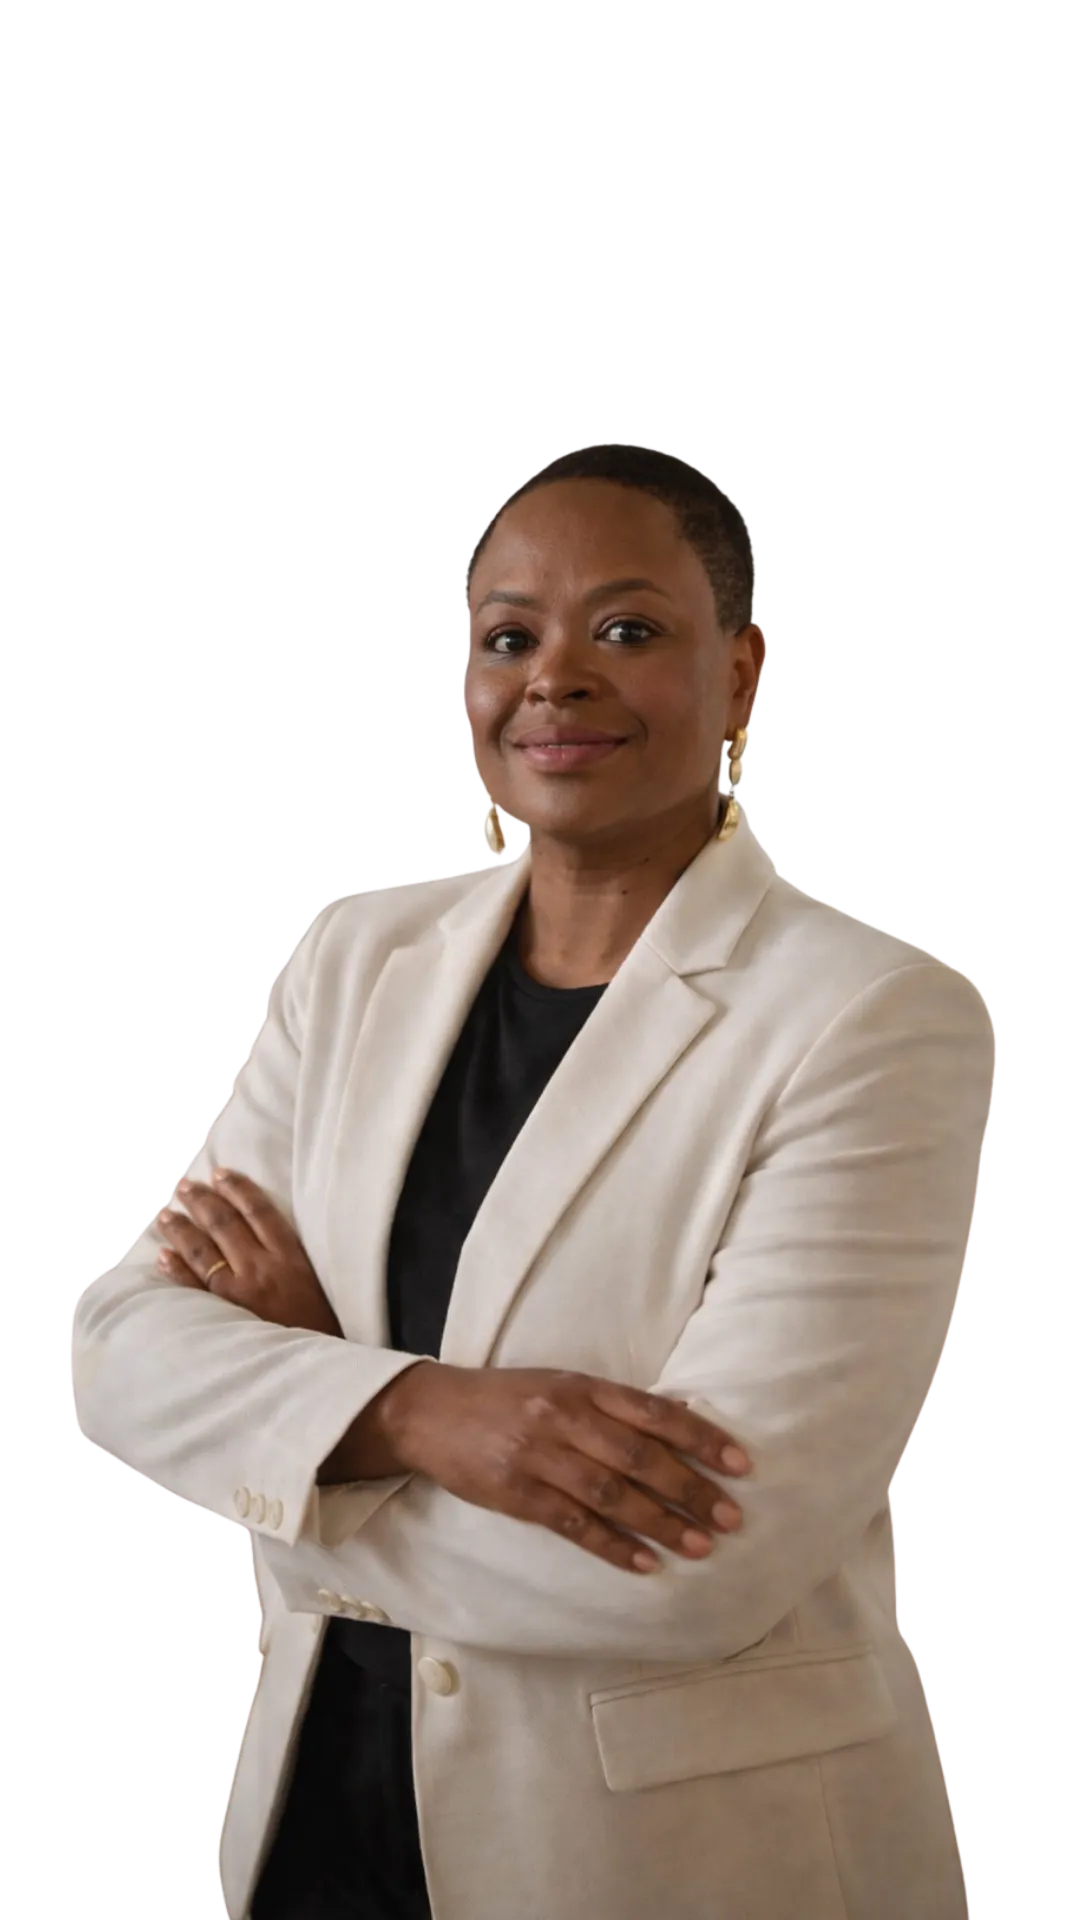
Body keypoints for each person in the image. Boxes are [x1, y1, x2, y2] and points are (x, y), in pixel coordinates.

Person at [71, 440, 995, 1920]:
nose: (554, 677)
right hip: (318, 1817)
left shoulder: (871, 1014)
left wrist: (293, 1441)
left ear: (742, 673)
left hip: (668, 1862)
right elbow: (118, 1348)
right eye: (509, 638)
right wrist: (417, 1410)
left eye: (626, 629)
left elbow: (700, 1563)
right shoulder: (353, 956)